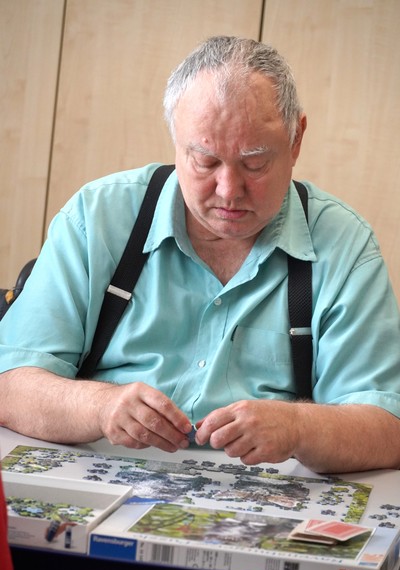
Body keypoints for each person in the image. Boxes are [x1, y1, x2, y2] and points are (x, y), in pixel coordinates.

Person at [0, 36, 399, 474]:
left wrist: (298, 426)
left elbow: (386, 427)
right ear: (176, 139)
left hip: (269, 493)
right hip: (95, 473)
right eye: (205, 161)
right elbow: (10, 384)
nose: (229, 191)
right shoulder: (96, 218)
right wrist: (100, 405)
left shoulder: (345, 245)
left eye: (254, 163)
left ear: (296, 139)